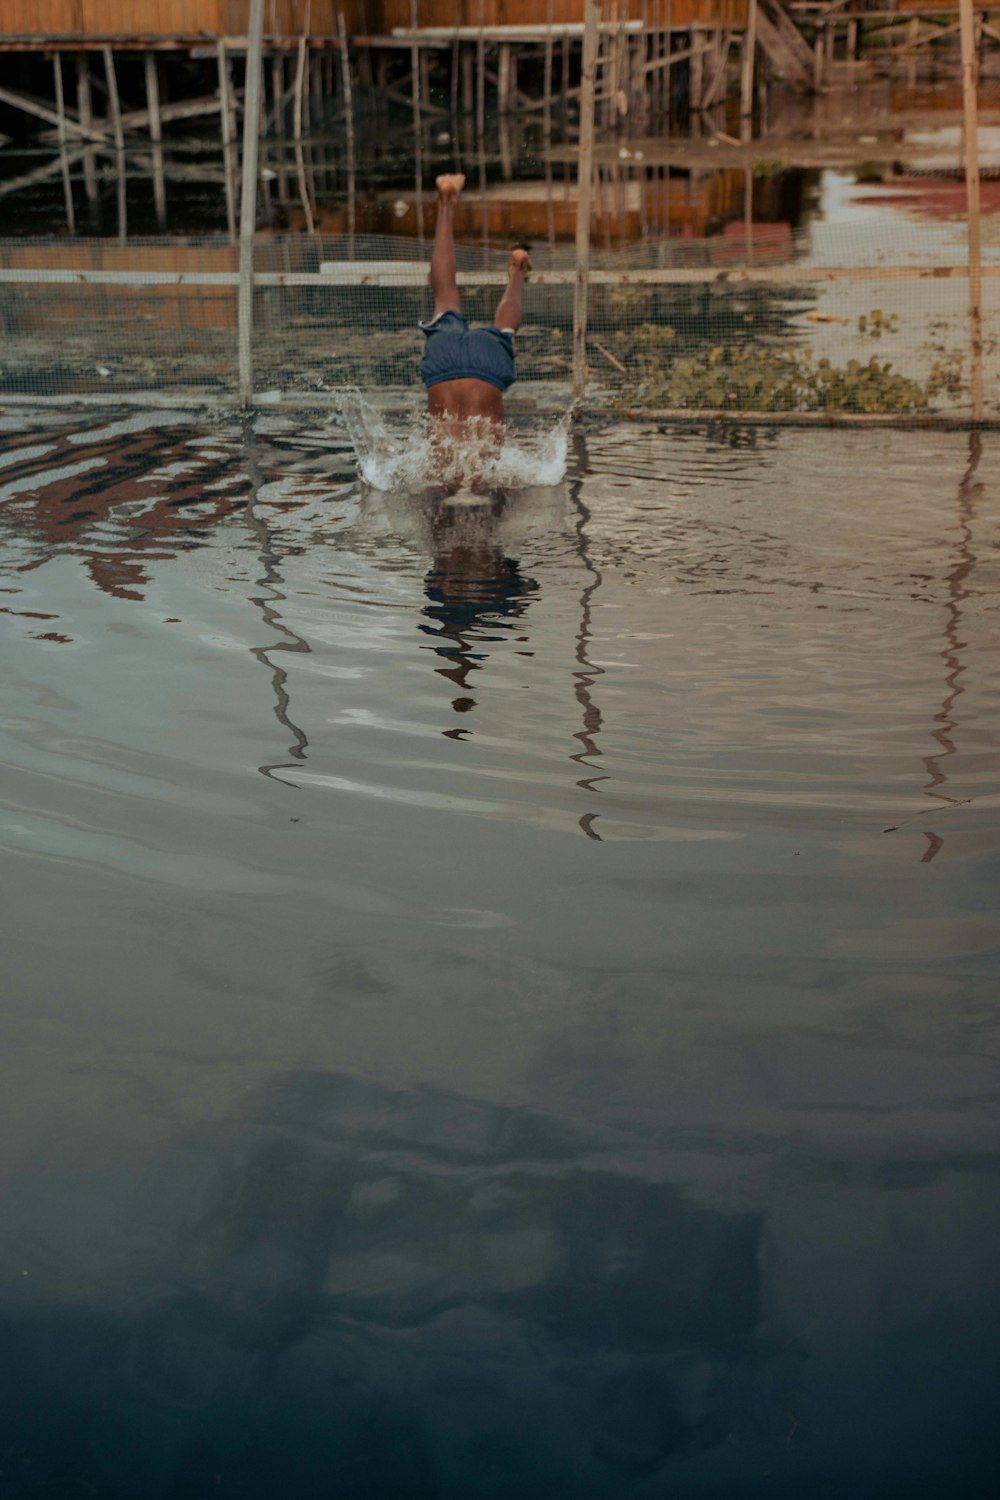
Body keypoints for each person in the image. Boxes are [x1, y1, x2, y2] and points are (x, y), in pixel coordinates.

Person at [419, 174, 531, 488]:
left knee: (504, 329)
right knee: (445, 294)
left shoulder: (448, 478)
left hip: (482, 366)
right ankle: (446, 203)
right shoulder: (449, 478)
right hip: (448, 363)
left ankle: (517, 272)